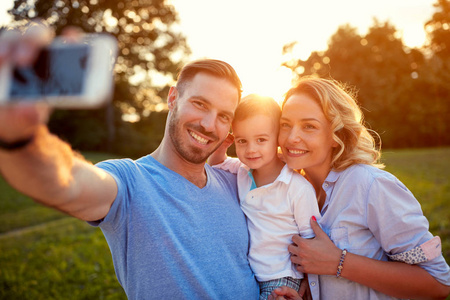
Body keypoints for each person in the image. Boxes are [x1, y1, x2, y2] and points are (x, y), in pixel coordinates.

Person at [0, 25, 260, 299]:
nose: (209, 124)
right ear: (173, 98)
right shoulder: (129, 180)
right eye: (200, 104)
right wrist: (17, 138)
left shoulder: (236, 181)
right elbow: (66, 184)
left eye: (223, 116)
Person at [269, 77, 450, 300]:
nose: (291, 137)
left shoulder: (371, 185)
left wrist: (339, 262)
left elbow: (438, 283)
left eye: (309, 126)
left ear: (336, 135)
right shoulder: (291, 192)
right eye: (285, 124)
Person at [208, 94, 320, 299]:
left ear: (277, 137)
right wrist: (223, 145)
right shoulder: (242, 170)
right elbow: (215, 165)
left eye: (261, 140)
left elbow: (311, 239)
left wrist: (308, 283)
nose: (251, 150)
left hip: (282, 277)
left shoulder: (296, 188)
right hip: (250, 274)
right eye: (242, 141)